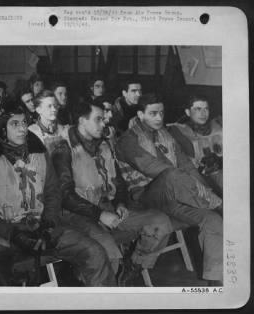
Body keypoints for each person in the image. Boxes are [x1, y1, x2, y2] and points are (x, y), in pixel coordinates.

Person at [0, 101, 116, 286]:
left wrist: (48, 226)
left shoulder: (39, 152)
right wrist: (14, 235)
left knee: (94, 253)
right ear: (1, 128)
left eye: (24, 123)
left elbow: (53, 193)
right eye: (15, 124)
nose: (22, 129)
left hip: (43, 228)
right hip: (4, 234)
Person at [51, 100, 173, 284]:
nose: (104, 123)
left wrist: (120, 203)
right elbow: (64, 196)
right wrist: (100, 214)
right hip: (77, 214)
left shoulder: (104, 145)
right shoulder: (63, 149)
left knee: (160, 222)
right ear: (82, 121)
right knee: (108, 252)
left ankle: (133, 267)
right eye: (98, 119)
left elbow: (119, 182)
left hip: (106, 207)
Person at [115, 93, 223, 286]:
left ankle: (216, 284)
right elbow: (153, 168)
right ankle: (219, 205)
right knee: (172, 175)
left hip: (173, 196)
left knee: (212, 220)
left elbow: (187, 166)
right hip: (143, 197)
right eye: (153, 113)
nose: (159, 118)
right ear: (140, 114)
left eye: (162, 113)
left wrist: (206, 190)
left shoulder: (166, 134)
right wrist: (209, 197)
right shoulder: (128, 140)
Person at [168, 95, 222, 196]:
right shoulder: (178, 131)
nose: (203, 113)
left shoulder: (219, 125)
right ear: (188, 112)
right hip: (199, 179)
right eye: (198, 109)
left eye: (206, 109)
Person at [28, 90, 70, 155]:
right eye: (49, 106)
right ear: (38, 110)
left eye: (55, 106)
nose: (54, 109)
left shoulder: (65, 130)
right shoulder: (32, 133)